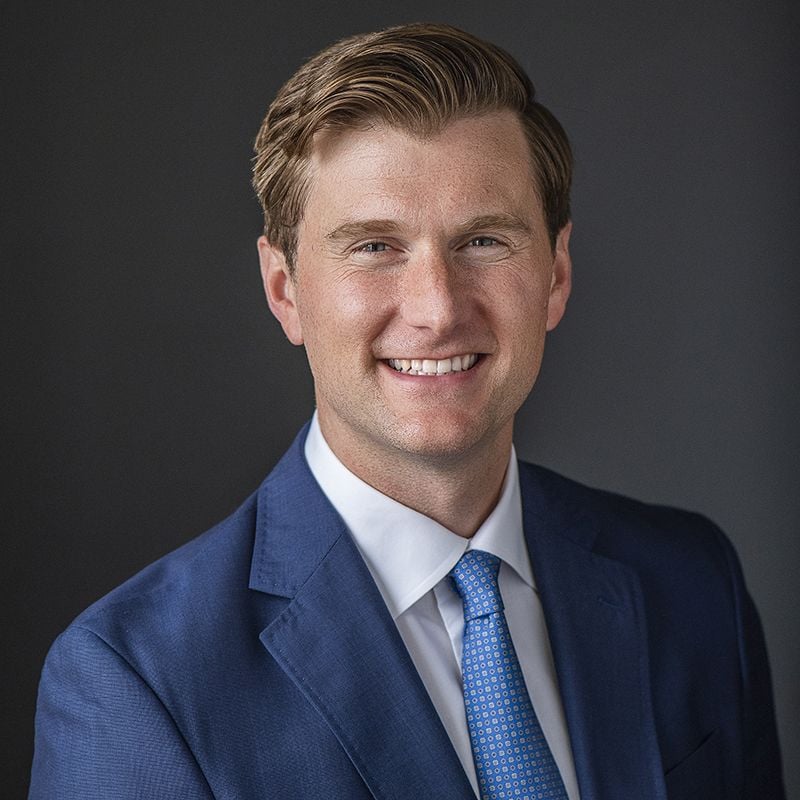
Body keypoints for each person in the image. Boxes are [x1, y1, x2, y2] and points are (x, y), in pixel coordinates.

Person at [29, 23, 784, 800]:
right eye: (374, 247)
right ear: (284, 290)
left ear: (555, 275)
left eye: (484, 240)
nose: (436, 309)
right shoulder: (136, 683)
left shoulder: (692, 584)